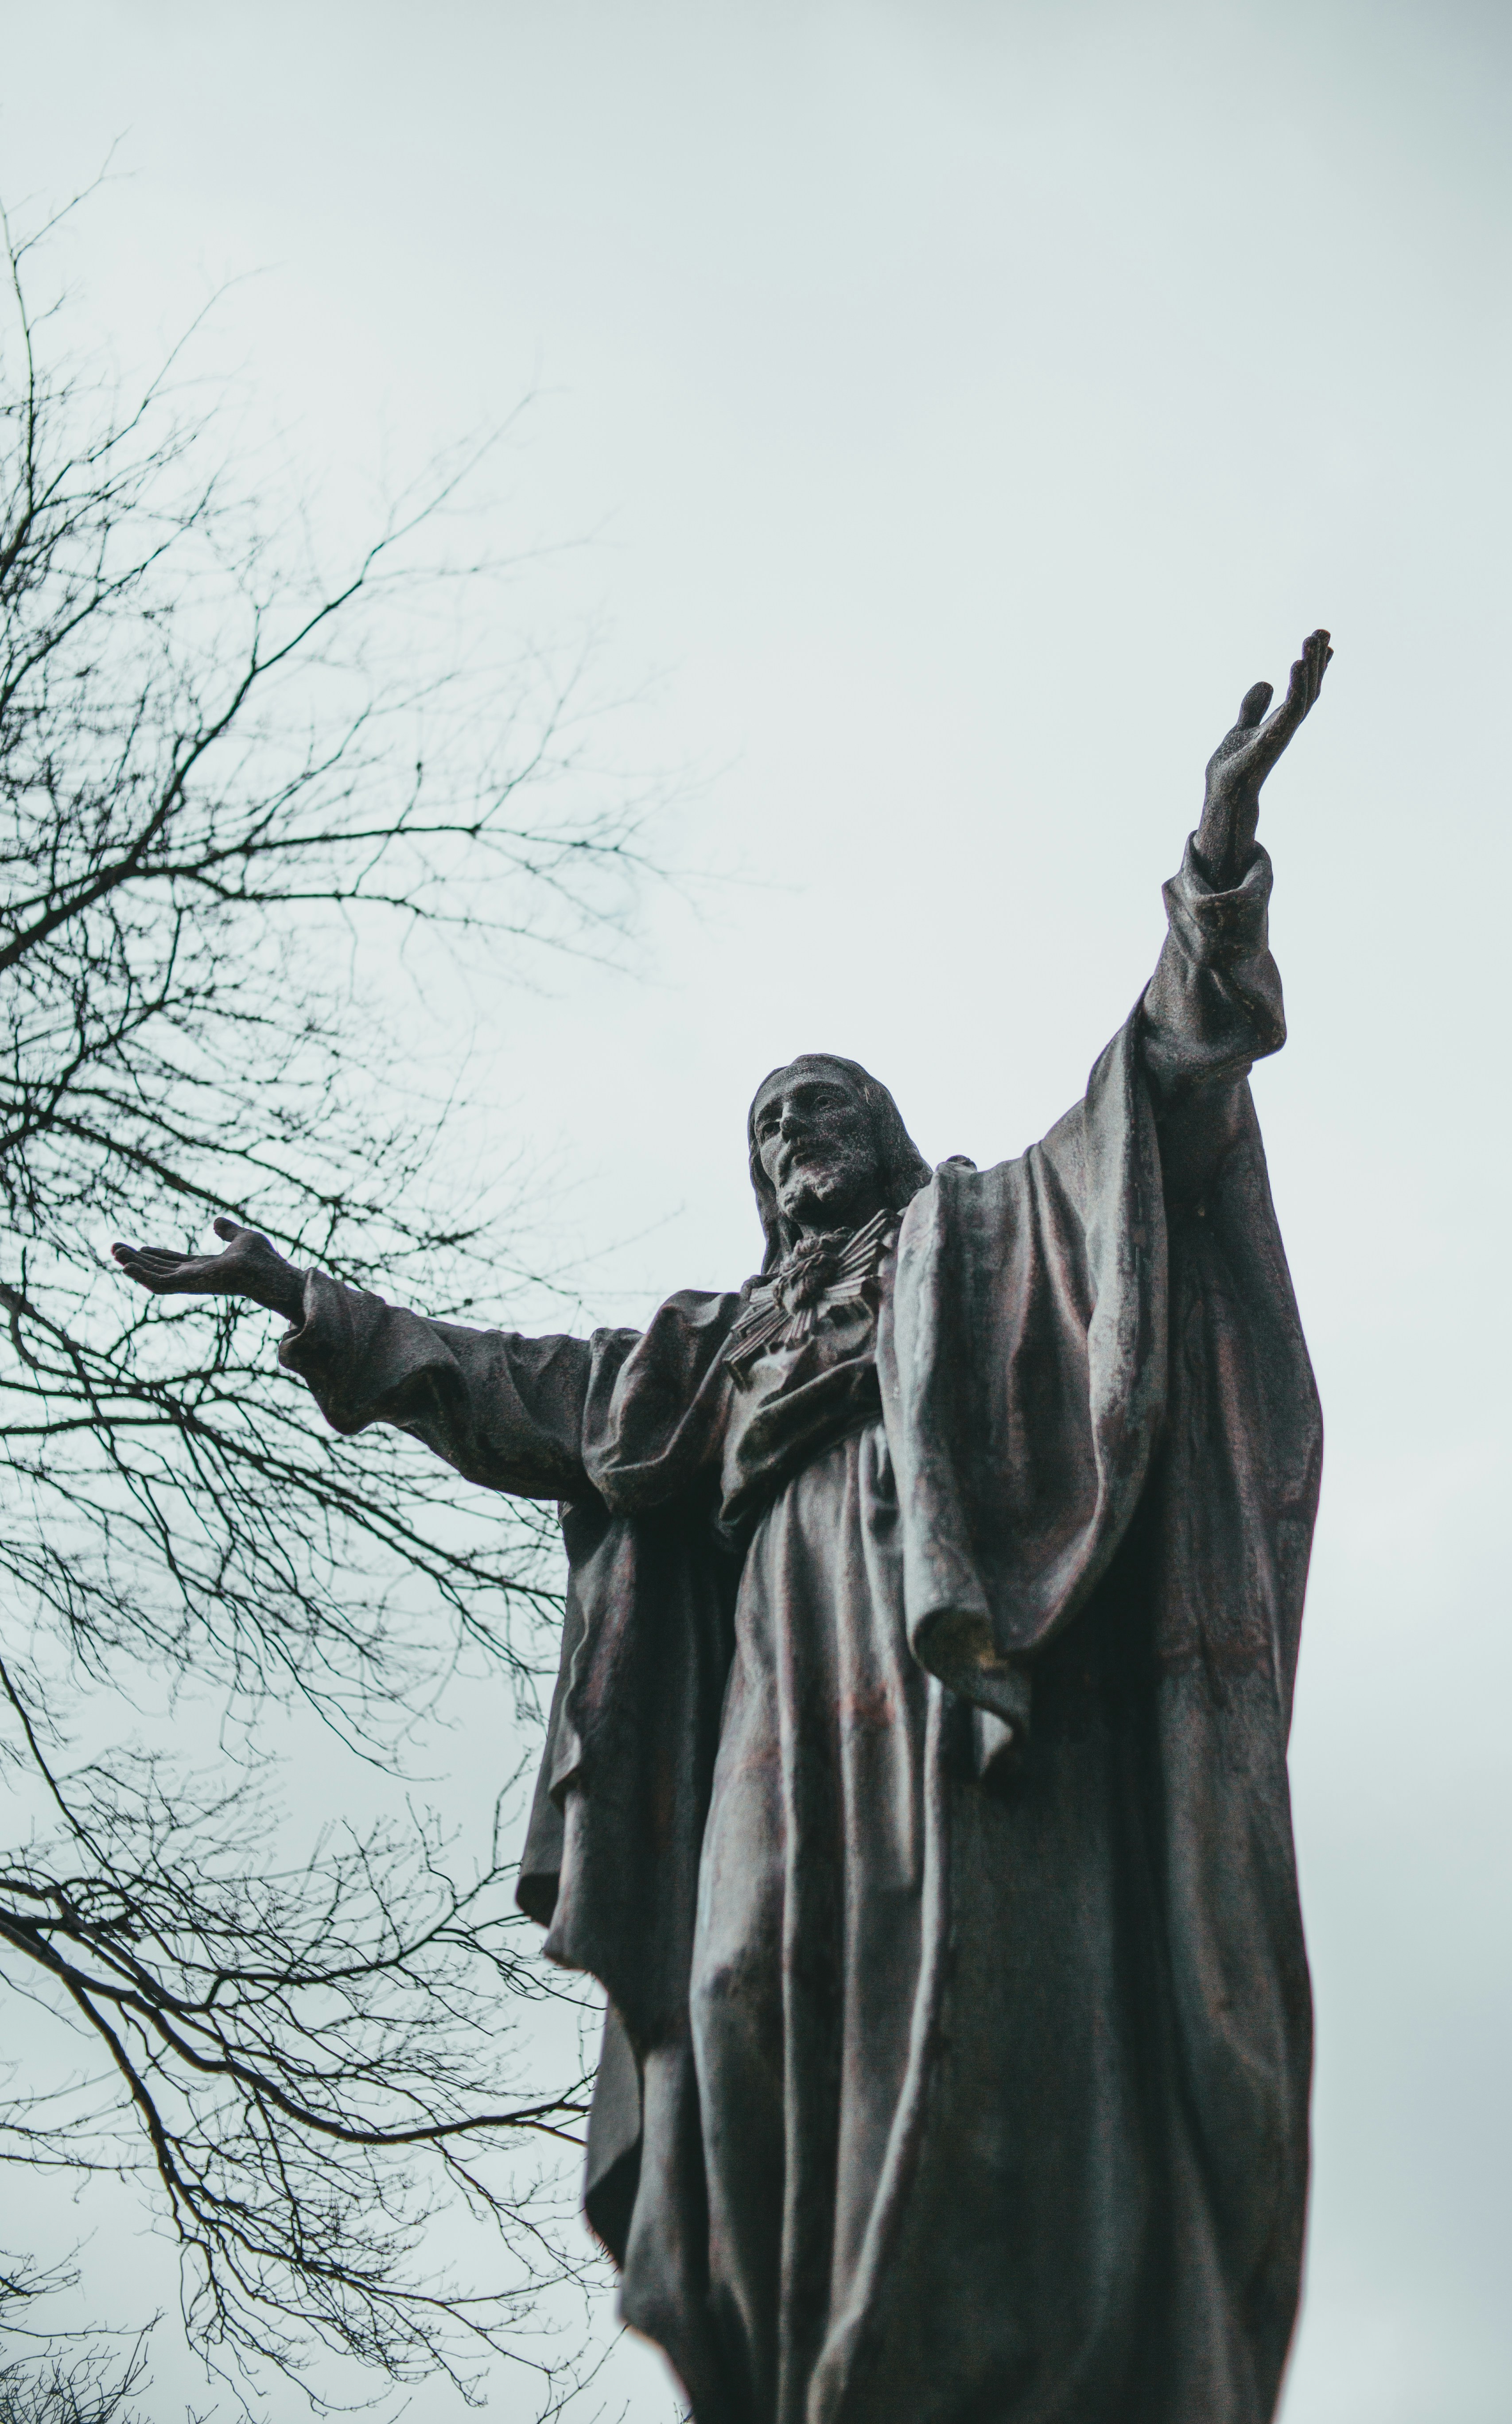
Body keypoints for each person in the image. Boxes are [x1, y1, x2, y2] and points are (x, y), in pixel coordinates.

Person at [115, 630, 1331, 2424]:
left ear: (888, 1135)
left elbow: (1158, 1089)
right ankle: (804, 2367)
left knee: (967, 1987)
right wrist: (310, 1299)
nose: (790, 1135)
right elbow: (513, 1389)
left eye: (821, 1107)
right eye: (766, 1128)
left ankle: (972, 2363)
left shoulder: (986, 1234)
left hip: (954, 1658)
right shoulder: (701, 1352)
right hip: (773, 1674)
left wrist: (1215, 868)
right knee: (747, 1987)